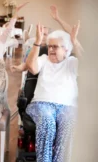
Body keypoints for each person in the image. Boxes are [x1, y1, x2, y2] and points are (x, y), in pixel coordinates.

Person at [25, 21, 82, 162]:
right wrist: (37, 43)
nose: (51, 50)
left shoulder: (72, 62)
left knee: (70, 122)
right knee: (47, 121)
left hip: (68, 107)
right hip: (41, 104)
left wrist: (75, 41)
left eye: (55, 47)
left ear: (66, 50)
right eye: (50, 46)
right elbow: (31, 67)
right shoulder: (44, 59)